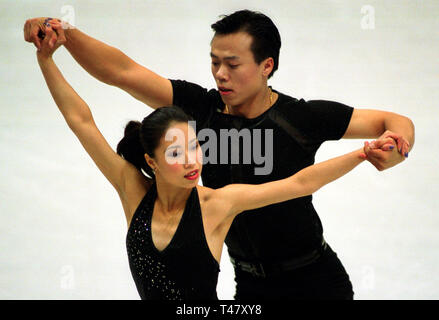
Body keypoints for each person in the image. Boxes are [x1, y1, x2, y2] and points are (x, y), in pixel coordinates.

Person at [24, 10, 414, 299]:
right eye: (214, 62)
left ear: (267, 66)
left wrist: (397, 149)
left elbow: (393, 121)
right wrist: (62, 33)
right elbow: (122, 72)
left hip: (315, 280)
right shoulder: (200, 111)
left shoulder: (301, 118)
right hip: (248, 285)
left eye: (232, 64)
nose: (220, 74)